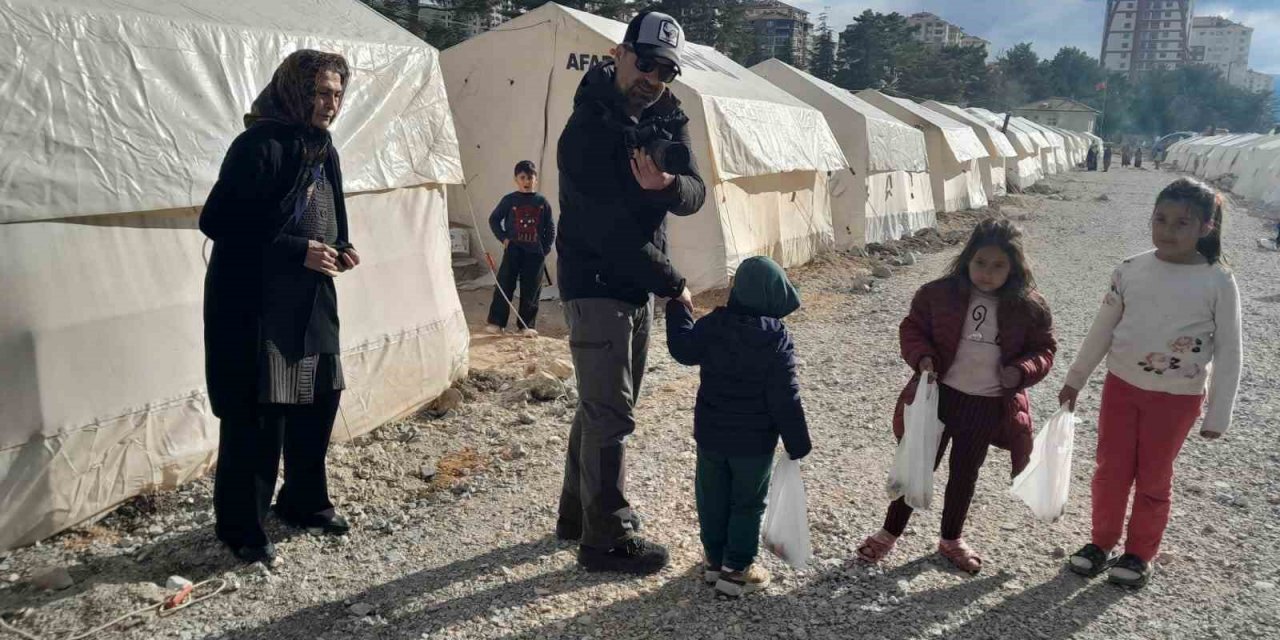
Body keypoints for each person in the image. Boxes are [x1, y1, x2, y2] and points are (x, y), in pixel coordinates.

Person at [554, 10, 707, 575]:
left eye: (666, 70)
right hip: (596, 280)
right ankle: (607, 539)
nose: (653, 77)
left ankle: (577, 516)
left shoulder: (667, 116)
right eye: (645, 63)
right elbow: (609, 236)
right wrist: (674, 284)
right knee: (611, 414)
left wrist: (667, 184)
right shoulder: (586, 131)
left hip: (636, 284)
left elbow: (696, 192)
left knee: (602, 407)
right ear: (619, 53)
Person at [200, 50, 359, 563]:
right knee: (259, 414)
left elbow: (329, 208)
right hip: (257, 302)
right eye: (319, 92)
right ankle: (241, 525)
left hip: (311, 297)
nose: (329, 103)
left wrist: (342, 244)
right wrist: (298, 249)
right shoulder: (258, 144)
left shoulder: (322, 146)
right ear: (294, 91)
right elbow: (218, 221)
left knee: (317, 402)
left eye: (336, 93)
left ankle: (304, 502)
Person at [1061, 178, 1241, 589]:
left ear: (1205, 228)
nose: (1168, 230)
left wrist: (1219, 413)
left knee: (1154, 476)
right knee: (1111, 470)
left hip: (1177, 398)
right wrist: (1076, 378)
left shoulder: (1218, 280)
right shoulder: (1129, 270)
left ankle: (1139, 553)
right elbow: (1102, 329)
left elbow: (1230, 350)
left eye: (1182, 222)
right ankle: (1100, 543)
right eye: (1160, 219)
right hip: (1121, 387)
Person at [857, 219, 1057, 574]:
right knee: (916, 466)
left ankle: (951, 539)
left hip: (986, 404)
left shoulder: (1027, 307)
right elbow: (912, 328)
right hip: (938, 398)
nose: (987, 272)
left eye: (998, 265)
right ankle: (889, 532)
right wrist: (923, 357)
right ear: (967, 259)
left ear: (1014, 267)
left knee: (965, 474)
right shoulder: (939, 294)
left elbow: (1044, 349)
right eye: (980, 262)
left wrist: (1022, 371)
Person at [665, 256, 811, 597]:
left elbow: (683, 349)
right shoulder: (775, 339)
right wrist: (797, 441)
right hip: (754, 445)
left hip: (711, 437)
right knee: (747, 503)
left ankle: (713, 562)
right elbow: (785, 397)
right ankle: (737, 569)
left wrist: (679, 308)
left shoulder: (714, 325)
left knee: (711, 498)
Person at [484, 160, 556, 337]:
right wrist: (504, 238)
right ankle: (496, 322)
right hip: (514, 250)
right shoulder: (509, 200)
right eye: (523, 177)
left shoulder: (542, 202)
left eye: (530, 177)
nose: (527, 181)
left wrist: (544, 249)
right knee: (505, 284)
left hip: (535, 254)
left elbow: (551, 227)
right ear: (516, 179)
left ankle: (526, 325)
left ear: (535, 179)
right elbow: (494, 219)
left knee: (531, 288)